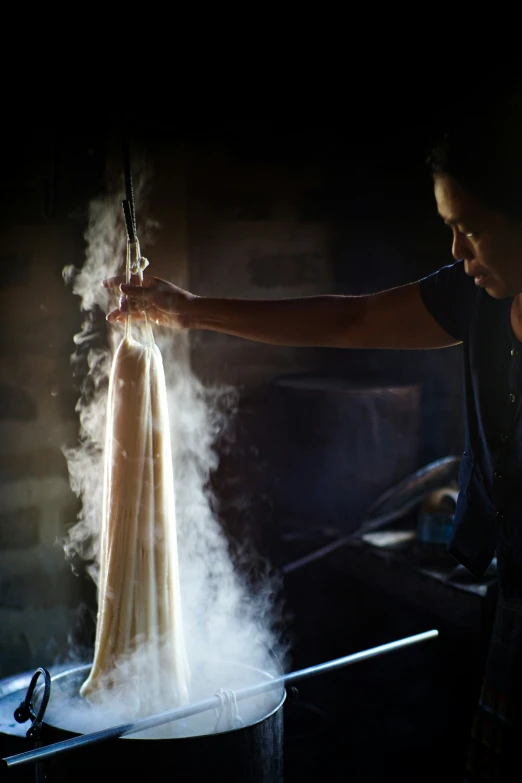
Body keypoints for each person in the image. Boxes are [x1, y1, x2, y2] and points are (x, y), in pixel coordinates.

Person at [104, 89, 522, 781]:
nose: (456, 249)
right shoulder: (474, 298)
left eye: (470, 228)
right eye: (448, 226)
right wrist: (188, 311)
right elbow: (349, 322)